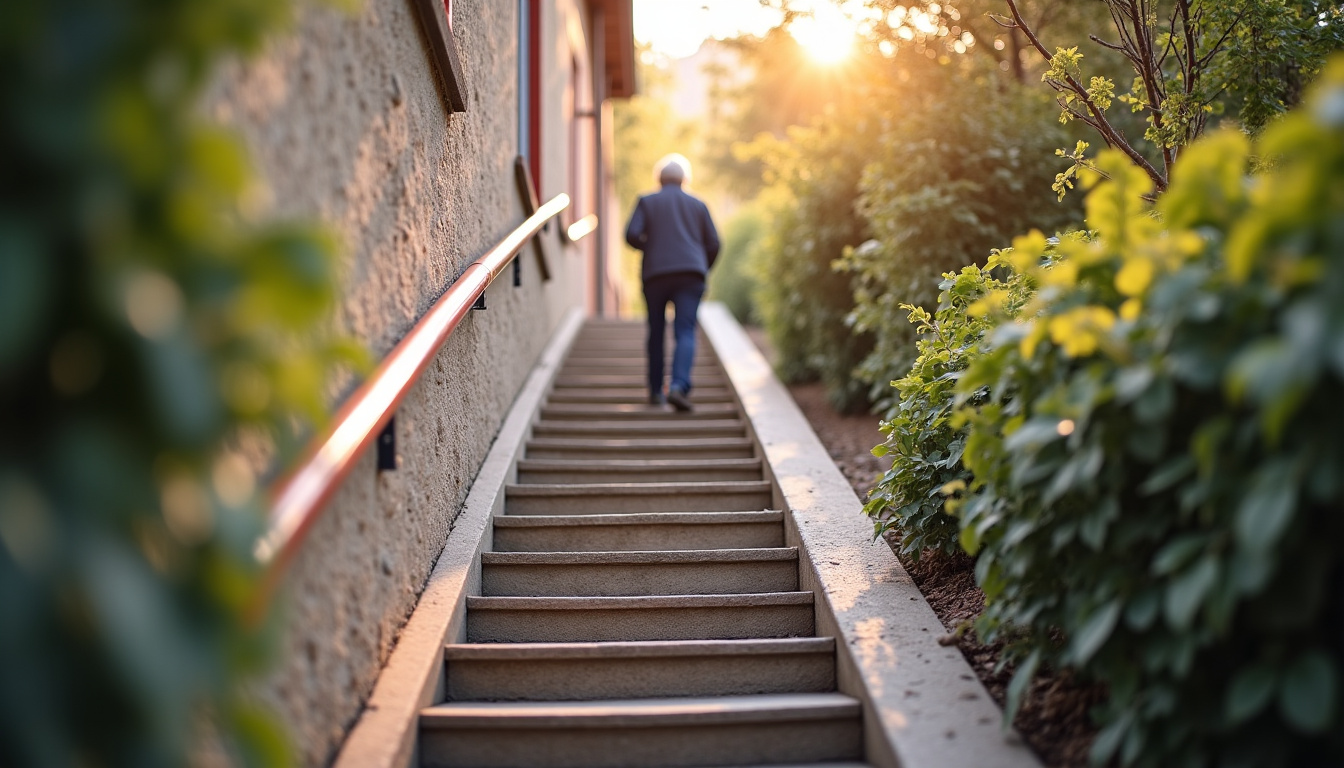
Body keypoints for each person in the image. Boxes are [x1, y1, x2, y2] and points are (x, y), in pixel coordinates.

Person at [624, 154, 720, 412]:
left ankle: (656, 391)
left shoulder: (647, 201)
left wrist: (651, 247)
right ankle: (678, 386)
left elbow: (631, 234)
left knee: (656, 331)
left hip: (656, 274)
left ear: (659, 178)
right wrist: (700, 265)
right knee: (685, 330)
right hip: (691, 274)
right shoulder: (698, 205)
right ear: (684, 179)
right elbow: (714, 243)